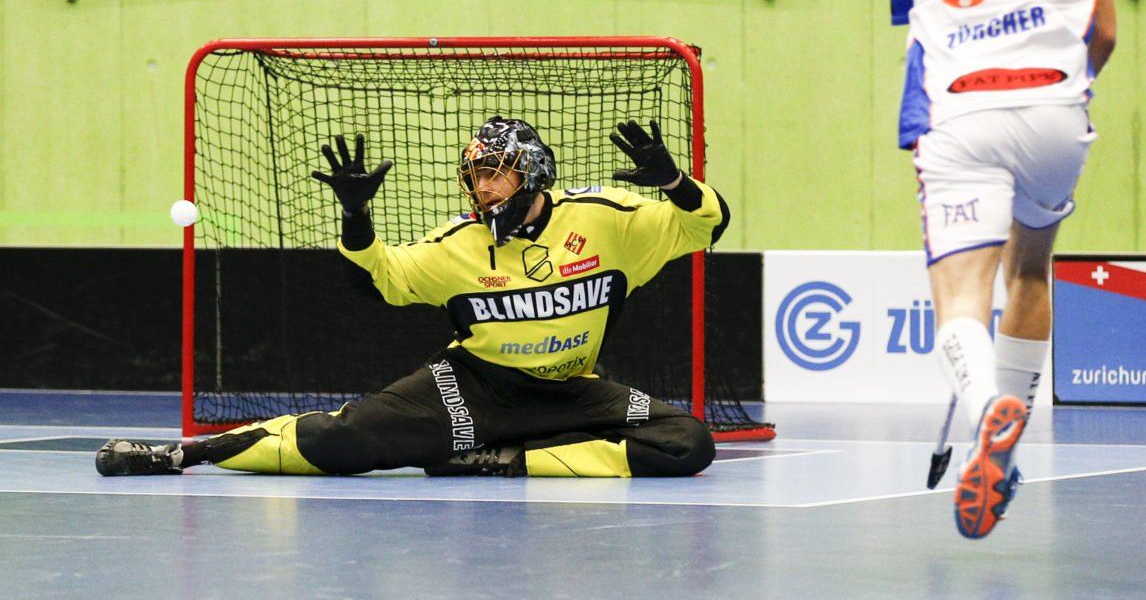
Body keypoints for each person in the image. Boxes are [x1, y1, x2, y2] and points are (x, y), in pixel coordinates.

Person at [96, 117, 728, 479]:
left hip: (572, 391)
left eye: (493, 173)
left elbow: (706, 225)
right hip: (471, 388)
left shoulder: (609, 220)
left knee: (688, 442)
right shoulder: (456, 244)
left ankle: (505, 459)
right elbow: (377, 279)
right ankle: (184, 454)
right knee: (342, 442)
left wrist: (675, 181)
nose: (481, 188)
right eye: (474, 177)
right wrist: (356, 217)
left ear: (531, 171)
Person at [886, 0, 1124, 539]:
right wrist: (1069, 92)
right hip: (1056, 107)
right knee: (1029, 269)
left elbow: (919, 36)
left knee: (961, 298)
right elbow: (1104, 29)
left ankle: (988, 405)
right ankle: (1007, 438)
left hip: (962, 115)